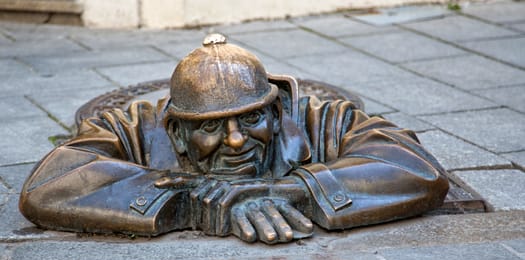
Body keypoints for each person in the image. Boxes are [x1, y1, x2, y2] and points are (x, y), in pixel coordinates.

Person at [19, 34, 449, 244]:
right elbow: (48, 186)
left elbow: (415, 167)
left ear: (276, 111)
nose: (237, 140)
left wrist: (290, 189)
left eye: (252, 119)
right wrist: (190, 202)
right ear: (176, 131)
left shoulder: (320, 119)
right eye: (209, 127)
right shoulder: (134, 125)